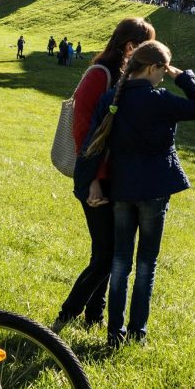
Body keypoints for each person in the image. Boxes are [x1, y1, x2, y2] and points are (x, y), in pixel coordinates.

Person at [76, 40, 195, 349]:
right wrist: (183, 76)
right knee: (146, 264)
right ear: (152, 68)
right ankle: (137, 332)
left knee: (120, 263)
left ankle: (115, 332)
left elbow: (91, 143)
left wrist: (92, 183)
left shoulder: (113, 98)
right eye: (162, 71)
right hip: (154, 191)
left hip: (122, 189)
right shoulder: (160, 99)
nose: (163, 77)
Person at [53, 18, 156, 334]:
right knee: (107, 254)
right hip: (93, 176)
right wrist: (95, 179)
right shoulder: (100, 75)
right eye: (145, 49)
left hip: (113, 176)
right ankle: (64, 317)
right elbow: (83, 130)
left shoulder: (124, 77)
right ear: (130, 47)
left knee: (108, 251)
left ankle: (93, 316)